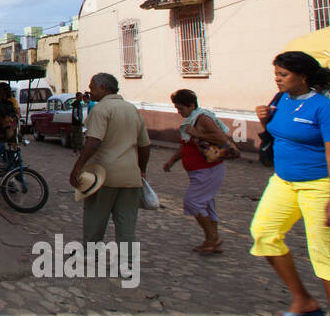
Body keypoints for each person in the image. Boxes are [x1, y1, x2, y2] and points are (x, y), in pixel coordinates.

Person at [251, 50, 330, 316]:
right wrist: (264, 122)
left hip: (323, 184)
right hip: (284, 182)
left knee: (323, 251)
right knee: (264, 234)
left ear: (303, 76)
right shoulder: (281, 99)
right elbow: (279, 135)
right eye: (276, 74)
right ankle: (303, 301)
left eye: (283, 75)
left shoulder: (325, 109)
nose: (277, 79)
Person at [68, 73, 151, 246]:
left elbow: (93, 141)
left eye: (92, 88)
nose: (89, 92)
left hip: (104, 175)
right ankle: (127, 262)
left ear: (103, 88)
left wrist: (78, 166)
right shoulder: (132, 109)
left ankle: (91, 253)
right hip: (130, 176)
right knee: (126, 223)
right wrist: (141, 169)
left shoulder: (101, 109)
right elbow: (145, 145)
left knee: (95, 217)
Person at [162, 88, 235, 253]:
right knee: (206, 204)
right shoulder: (191, 121)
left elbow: (221, 138)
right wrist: (172, 161)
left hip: (209, 169)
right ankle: (211, 240)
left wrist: (197, 133)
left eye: (181, 108)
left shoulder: (202, 118)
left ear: (191, 105)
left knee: (193, 202)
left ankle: (213, 238)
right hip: (198, 171)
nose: (179, 112)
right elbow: (185, 145)